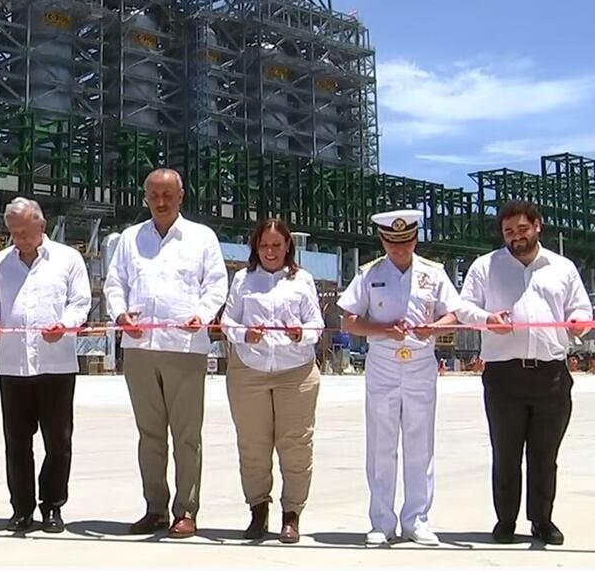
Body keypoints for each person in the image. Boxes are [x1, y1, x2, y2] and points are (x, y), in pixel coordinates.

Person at [456, 200, 592, 545]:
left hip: (551, 376)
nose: (515, 237)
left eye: (521, 229)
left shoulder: (561, 267)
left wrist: (578, 323)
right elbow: (464, 306)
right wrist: (487, 319)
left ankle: (542, 520)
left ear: (537, 226)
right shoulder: (486, 267)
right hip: (504, 376)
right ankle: (505, 520)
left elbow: (581, 309)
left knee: (545, 455)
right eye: (508, 232)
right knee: (506, 453)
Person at [102, 168, 228, 538]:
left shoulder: (201, 238)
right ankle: (155, 508)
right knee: (149, 434)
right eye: (154, 195)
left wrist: (203, 315)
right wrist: (120, 314)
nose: (160, 201)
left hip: (185, 348)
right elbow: (115, 284)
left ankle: (186, 510)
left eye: (167, 195)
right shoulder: (130, 238)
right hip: (140, 348)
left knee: (187, 435)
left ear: (181, 196)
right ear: (145, 197)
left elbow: (216, 284)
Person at [337, 209, 464, 546]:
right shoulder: (370, 274)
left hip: (421, 361)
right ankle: (381, 521)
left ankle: (417, 520)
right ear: (382, 240)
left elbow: (454, 313)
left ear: (415, 239)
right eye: (392, 243)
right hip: (383, 362)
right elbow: (349, 320)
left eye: (406, 242)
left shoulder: (433, 274)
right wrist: (381, 329)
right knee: (381, 443)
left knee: (420, 442)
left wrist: (434, 328)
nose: (400, 249)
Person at [0, 197, 92, 534]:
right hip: (13, 366)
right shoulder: (0, 263)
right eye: (13, 232)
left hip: (56, 365)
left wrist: (66, 324)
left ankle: (52, 506)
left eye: (25, 231)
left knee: (58, 441)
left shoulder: (68, 259)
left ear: (41, 226)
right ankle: (21, 509)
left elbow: (80, 302)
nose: (19, 238)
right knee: (16, 442)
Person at [220, 217, 324, 543]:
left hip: (296, 373)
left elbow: (316, 324)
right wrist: (243, 334)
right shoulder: (242, 280)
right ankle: (257, 511)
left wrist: (301, 334)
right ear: (255, 247)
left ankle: (291, 515)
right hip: (249, 371)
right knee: (253, 445)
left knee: (295, 446)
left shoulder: (302, 280)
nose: (269, 251)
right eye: (263, 245)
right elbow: (227, 321)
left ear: (287, 246)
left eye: (276, 245)